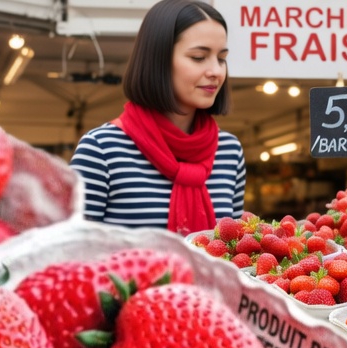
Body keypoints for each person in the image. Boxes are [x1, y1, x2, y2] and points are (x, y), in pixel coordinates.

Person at [70, 0, 246, 235]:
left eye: (221, 58)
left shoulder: (229, 151)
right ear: (158, 60)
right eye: (198, 57)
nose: (215, 71)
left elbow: (233, 250)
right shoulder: (101, 148)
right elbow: (69, 250)